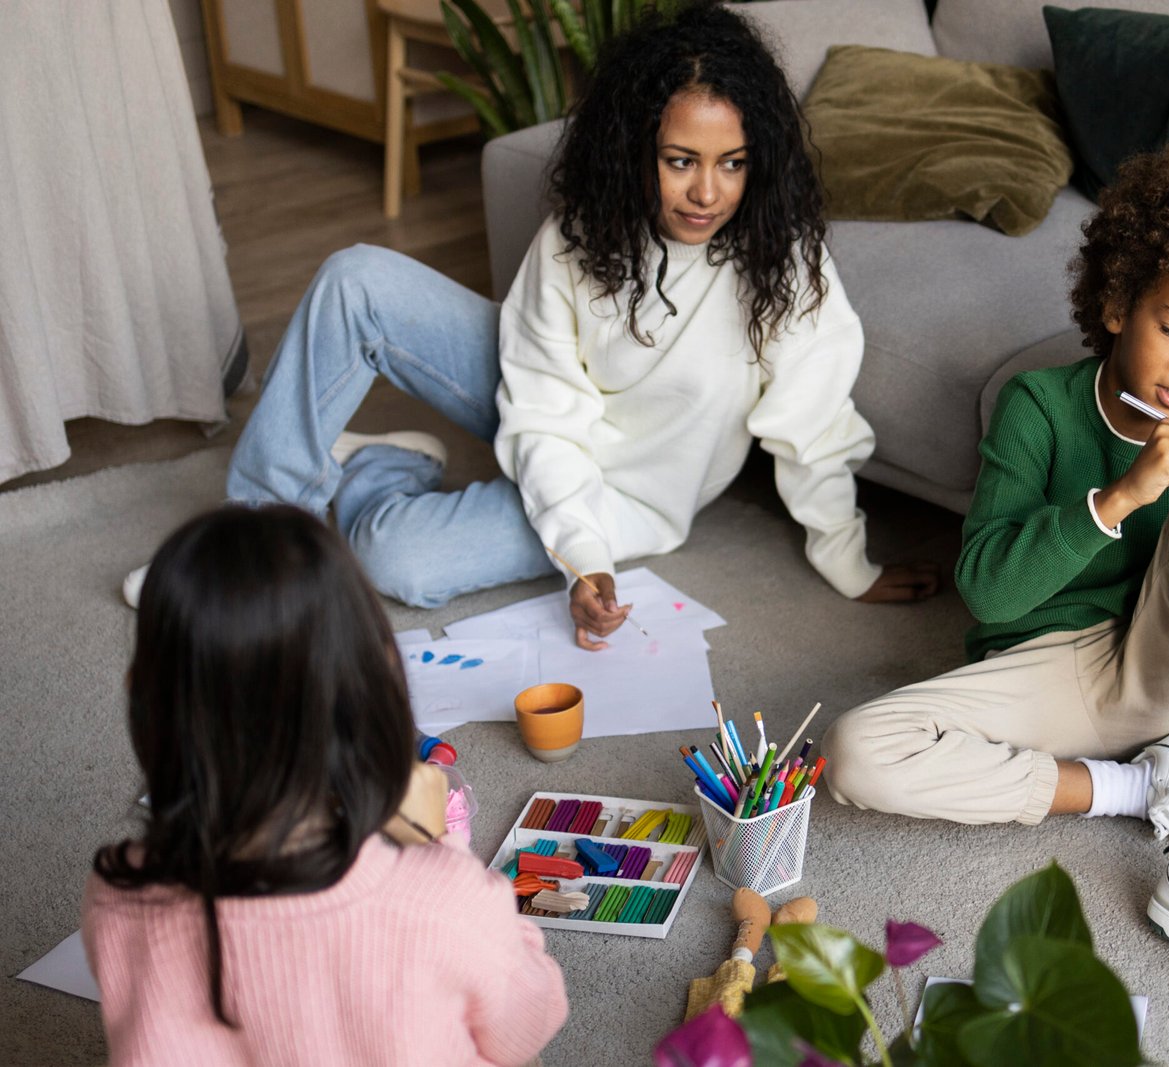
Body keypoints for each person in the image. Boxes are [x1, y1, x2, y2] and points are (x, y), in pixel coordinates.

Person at [125, 1, 936, 647]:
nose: (707, 193)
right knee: (356, 280)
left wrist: (846, 556)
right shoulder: (583, 234)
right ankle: (245, 543)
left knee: (393, 559)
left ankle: (378, 466)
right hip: (544, 406)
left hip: (625, 491)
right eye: (680, 160)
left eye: (732, 163)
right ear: (634, 151)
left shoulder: (785, 262)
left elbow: (814, 424)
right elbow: (546, 407)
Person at [822, 143, 1169, 1019]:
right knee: (854, 751)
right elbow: (988, 593)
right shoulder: (1038, 407)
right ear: (1115, 306)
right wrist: (1124, 492)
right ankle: (1148, 787)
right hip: (1050, 672)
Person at [85, 505, 568, 1065]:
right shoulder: (441, 901)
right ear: (381, 682)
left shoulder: (117, 895)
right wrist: (447, 857)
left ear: (144, 698)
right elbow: (532, 1020)